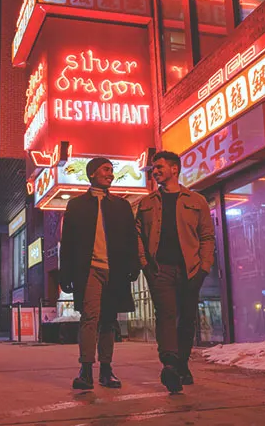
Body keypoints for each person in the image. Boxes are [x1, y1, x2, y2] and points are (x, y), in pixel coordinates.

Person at [136, 151, 215, 393]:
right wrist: (145, 264)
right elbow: (138, 235)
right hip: (160, 270)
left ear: (174, 169)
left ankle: (182, 363)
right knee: (166, 315)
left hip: (190, 269)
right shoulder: (147, 203)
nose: (155, 171)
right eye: (153, 168)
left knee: (187, 319)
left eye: (159, 167)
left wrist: (204, 267)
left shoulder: (196, 200)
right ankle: (170, 364)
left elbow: (207, 237)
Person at [59, 157, 140, 390]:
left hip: (114, 271)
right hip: (89, 270)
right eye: (106, 170)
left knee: (108, 321)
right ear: (92, 173)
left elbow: (130, 239)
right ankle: (85, 370)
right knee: (89, 318)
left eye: (112, 171)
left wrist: (133, 266)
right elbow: (68, 244)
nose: (111, 174)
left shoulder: (121, 205)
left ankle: (106, 370)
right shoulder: (76, 205)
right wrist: (66, 275)